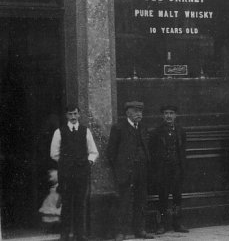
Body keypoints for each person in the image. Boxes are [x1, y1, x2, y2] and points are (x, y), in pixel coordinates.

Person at [106, 101, 154, 241]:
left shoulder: (143, 127)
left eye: (140, 111)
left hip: (142, 170)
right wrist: (120, 168)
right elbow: (111, 152)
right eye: (135, 111)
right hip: (126, 171)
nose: (139, 114)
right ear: (128, 113)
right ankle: (121, 232)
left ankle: (140, 230)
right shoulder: (119, 128)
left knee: (141, 201)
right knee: (124, 202)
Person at [49, 106, 99, 241]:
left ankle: (79, 234)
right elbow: (54, 153)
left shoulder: (85, 131)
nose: (73, 117)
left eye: (75, 114)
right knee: (66, 203)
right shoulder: (59, 132)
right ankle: (64, 234)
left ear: (79, 114)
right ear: (66, 115)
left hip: (81, 172)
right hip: (66, 173)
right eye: (70, 114)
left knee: (79, 202)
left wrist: (88, 162)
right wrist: (66, 162)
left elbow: (93, 151)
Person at [149, 104, 189, 234]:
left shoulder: (181, 131)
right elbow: (152, 153)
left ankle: (177, 223)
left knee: (177, 198)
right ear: (162, 115)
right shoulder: (156, 132)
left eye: (171, 113)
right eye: (166, 113)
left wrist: (182, 168)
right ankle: (161, 225)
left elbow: (182, 151)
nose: (168, 116)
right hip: (163, 170)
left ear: (175, 115)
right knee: (163, 198)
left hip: (177, 169)